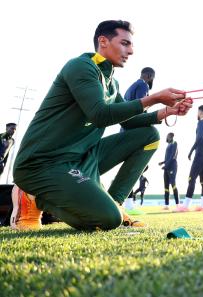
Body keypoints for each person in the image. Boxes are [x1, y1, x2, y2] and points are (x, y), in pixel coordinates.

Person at [10, 20, 192, 231]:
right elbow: (99, 114)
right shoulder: (80, 66)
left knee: (149, 136)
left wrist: (166, 112)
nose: (130, 51)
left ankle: (115, 202)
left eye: (131, 45)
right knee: (108, 220)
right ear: (103, 41)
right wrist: (153, 99)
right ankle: (33, 197)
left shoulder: (111, 82)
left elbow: (129, 120)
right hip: (44, 163)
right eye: (125, 43)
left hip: (82, 158)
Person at [122, 67, 155, 214]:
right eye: (152, 78)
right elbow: (143, 106)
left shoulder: (130, 87)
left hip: (125, 131)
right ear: (149, 76)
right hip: (135, 131)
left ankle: (127, 203)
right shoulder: (143, 85)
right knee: (135, 167)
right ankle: (128, 205)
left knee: (129, 167)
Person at [177, 105, 203, 212]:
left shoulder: (201, 123)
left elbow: (200, 137)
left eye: (197, 112)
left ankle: (185, 206)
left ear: (200, 112)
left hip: (201, 154)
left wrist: (191, 150)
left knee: (191, 178)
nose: (197, 114)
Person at [159, 132, 180, 210]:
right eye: (167, 136)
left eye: (168, 136)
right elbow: (168, 157)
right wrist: (163, 162)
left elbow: (173, 156)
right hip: (166, 167)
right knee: (166, 186)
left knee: (173, 184)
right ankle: (166, 205)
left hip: (172, 167)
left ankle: (178, 205)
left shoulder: (175, 143)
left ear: (171, 137)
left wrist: (166, 165)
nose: (167, 138)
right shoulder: (168, 145)